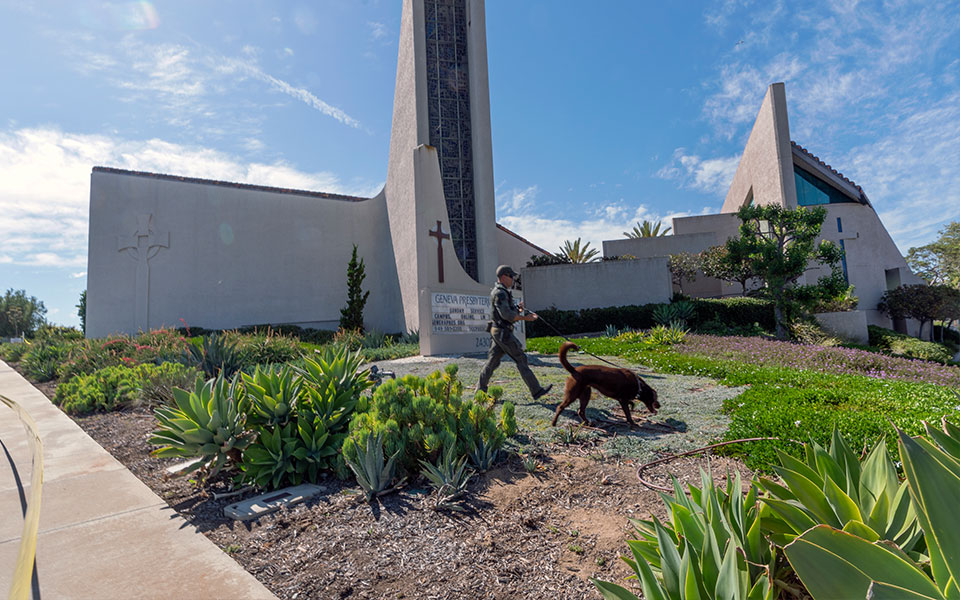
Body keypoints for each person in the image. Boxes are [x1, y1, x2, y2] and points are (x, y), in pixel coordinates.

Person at [477, 265, 553, 399]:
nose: (513, 279)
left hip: (498, 331)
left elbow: (508, 313)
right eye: (511, 276)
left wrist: (518, 309)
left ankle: (480, 392)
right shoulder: (500, 293)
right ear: (504, 277)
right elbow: (507, 315)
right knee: (520, 358)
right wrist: (526, 318)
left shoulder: (502, 292)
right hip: (502, 332)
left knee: (493, 362)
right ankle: (536, 391)